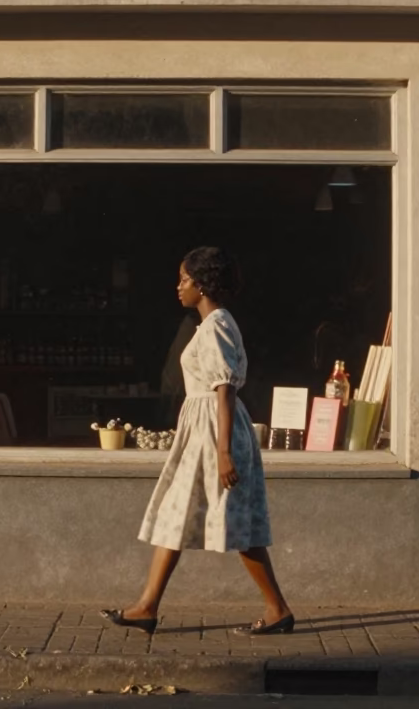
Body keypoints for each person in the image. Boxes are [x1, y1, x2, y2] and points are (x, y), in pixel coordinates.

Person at [100, 247, 294, 636]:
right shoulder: (207, 326)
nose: (178, 287)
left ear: (203, 285)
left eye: (185, 280)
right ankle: (147, 606)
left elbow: (223, 388)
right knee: (177, 512)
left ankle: (277, 609)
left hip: (214, 430)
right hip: (203, 429)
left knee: (235, 523)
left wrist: (224, 452)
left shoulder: (219, 324)